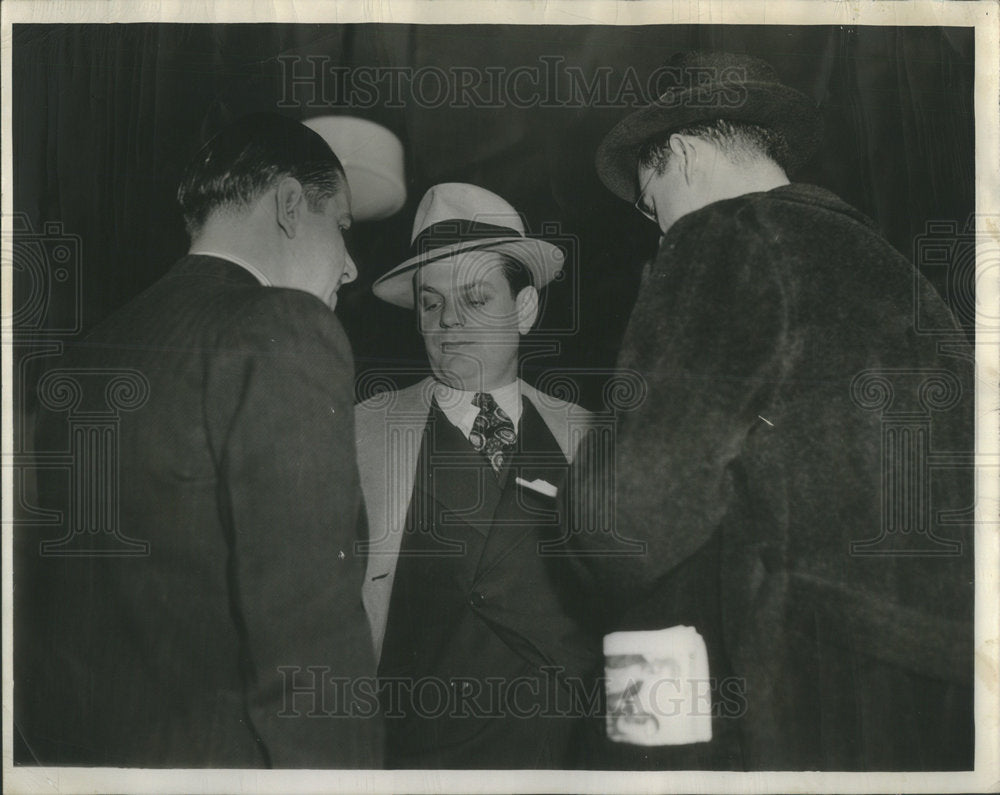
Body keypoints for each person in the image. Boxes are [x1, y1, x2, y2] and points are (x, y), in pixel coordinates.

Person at [569, 51, 975, 770]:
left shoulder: (725, 237)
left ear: (686, 156)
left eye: (647, 198)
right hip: (942, 693)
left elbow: (625, 514)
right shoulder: (895, 272)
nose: (656, 226)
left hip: (802, 685)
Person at [15, 113, 383, 768]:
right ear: (292, 206)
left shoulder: (85, 356)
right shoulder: (285, 327)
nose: (350, 267)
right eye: (344, 226)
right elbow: (311, 640)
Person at [355, 182, 601, 768]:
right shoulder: (358, 432)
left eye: (475, 298)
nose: (449, 322)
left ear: (525, 309)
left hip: (569, 759)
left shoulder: (595, 433)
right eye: (431, 302)